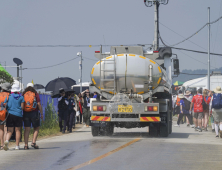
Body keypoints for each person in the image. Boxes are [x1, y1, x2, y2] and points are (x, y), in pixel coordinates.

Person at [3, 84, 24, 151]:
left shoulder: (9, 96)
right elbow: (22, 108)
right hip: (18, 115)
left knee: (9, 131)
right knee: (17, 131)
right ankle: (17, 146)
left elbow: (6, 105)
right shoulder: (21, 97)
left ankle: (6, 141)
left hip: (10, 115)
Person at [23, 83, 43, 150]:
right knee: (36, 128)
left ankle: (26, 145)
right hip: (34, 112)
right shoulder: (35, 94)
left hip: (26, 113)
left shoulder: (24, 94)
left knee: (27, 129)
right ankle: (33, 142)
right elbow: (39, 104)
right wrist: (41, 113)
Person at [0, 83, 11, 150]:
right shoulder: (9, 95)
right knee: (6, 130)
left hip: (0, 113)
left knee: (1, 129)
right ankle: (5, 144)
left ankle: (1, 145)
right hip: (6, 114)